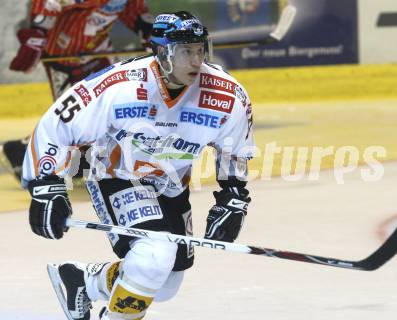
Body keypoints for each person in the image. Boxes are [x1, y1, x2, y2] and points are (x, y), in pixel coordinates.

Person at [23, 11, 255, 320]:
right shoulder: (118, 86)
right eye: (186, 51)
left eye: (200, 49)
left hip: (171, 183)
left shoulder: (228, 96)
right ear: (162, 52)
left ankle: (83, 280)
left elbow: (234, 148)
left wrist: (233, 198)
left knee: (165, 284)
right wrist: (47, 185)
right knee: (154, 255)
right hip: (117, 173)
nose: (196, 60)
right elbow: (57, 124)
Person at [1, 0, 153, 181]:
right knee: (73, 119)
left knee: (116, 105)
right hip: (63, 57)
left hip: (98, 51)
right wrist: (36, 35)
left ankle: (88, 158)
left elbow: (134, 11)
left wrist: (150, 31)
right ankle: (21, 151)